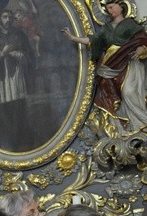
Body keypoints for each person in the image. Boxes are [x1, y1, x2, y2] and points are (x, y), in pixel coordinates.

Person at [63, 0, 147, 132]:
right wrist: (74, 38)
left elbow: (142, 39)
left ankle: (142, 122)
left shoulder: (129, 24)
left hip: (128, 61)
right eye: (108, 9)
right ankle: (130, 125)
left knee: (129, 92)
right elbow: (93, 40)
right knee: (116, 97)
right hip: (110, 65)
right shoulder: (106, 28)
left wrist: (142, 48)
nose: (110, 11)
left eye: (112, 7)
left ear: (121, 6)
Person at [0, 9, 35, 151]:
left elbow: (28, 56)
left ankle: (21, 142)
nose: (8, 20)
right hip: (1, 82)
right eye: (5, 17)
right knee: (4, 113)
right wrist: (2, 53)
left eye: (10, 17)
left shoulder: (19, 35)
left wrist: (15, 53)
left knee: (19, 110)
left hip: (17, 79)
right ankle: (8, 143)